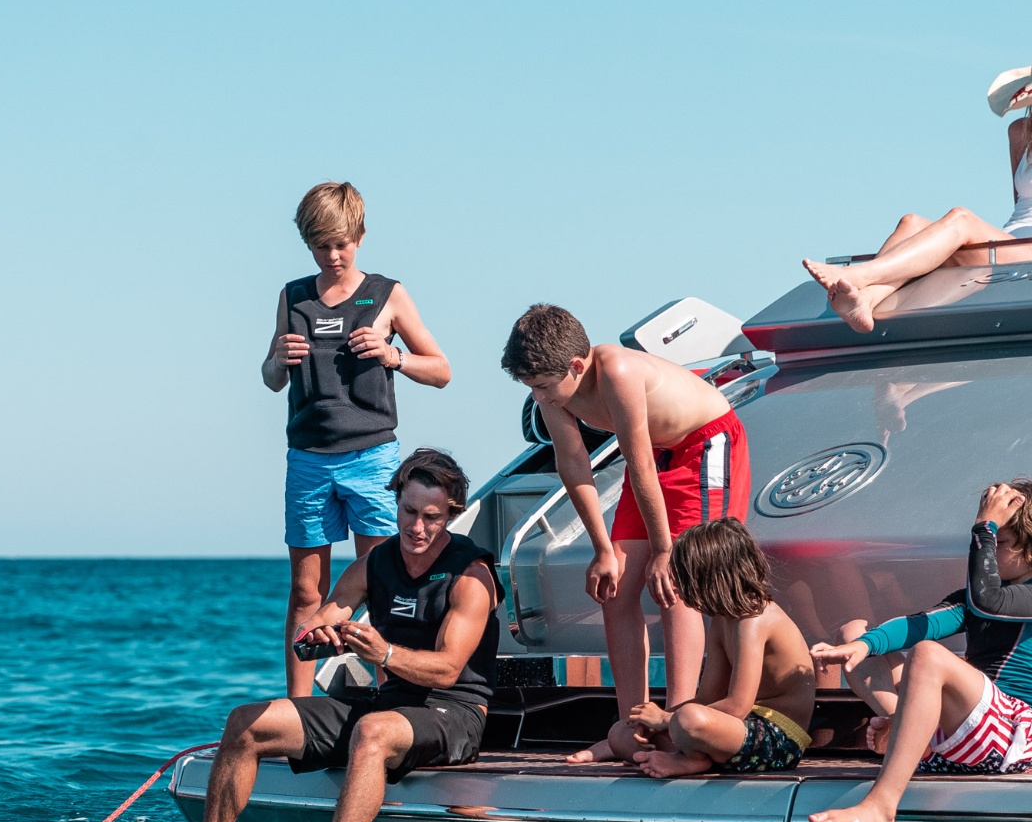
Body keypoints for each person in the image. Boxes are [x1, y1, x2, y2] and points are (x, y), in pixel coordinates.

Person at [130, 449, 498, 822]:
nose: (417, 528)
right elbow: (328, 614)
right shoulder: (375, 563)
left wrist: (381, 652)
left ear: (451, 515)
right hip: (389, 703)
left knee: (372, 731)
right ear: (396, 502)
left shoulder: (472, 574)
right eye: (408, 512)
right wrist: (318, 634)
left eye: (431, 517)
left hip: (453, 713)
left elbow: (447, 669)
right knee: (246, 722)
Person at [500, 304, 751, 760]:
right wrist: (602, 549)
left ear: (576, 366)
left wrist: (663, 551)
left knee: (676, 584)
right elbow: (573, 464)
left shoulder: (616, 369)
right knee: (614, 590)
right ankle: (631, 727)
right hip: (659, 458)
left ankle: (678, 724)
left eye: (540, 386)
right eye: (530, 387)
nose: (537, 397)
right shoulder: (553, 394)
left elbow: (636, 466)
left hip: (704, 444)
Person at [801, 36, 1032, 333]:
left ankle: (857, 276)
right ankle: (866, 300)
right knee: (910, 221)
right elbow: (1023, 208)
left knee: (961, 219)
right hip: (1008, 251)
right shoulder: (1021, 132)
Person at [807, 480, 1032, 822]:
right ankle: (908, 733)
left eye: (1000, 543)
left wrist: (984, 527)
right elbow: (926, 623)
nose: (991, 550)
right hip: (967, 733)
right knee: (855, 633)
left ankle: (881, 807)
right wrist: (863, 646)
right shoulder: (984, 595)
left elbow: (988, 602)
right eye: (993, 541)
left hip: (1013, 738)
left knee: (929, 656)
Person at [264, 181, 452, 698]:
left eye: (341, 243)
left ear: (361, 237)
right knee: (306, 590)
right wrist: (277, 359)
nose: (332, 254)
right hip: (307, 458)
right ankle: (299, 711)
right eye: (322, 245)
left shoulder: (388, 293)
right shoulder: (293, 296)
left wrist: (394, 356)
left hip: (371, 456)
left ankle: (390, 699)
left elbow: (441, 370)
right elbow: (270, 377)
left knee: (382, 584)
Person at [594, 518, 818, 779]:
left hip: (777, 739)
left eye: (683, 578)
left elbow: (737, 706)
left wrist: (667, 720)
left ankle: (691, 760)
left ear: (710, 577)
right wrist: (654, 721)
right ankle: (686, 756)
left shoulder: (754, 620)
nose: (676, 585)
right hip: (736, 730)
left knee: (687, 720)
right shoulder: (722, 621)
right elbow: (707, 698)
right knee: (621, 733)